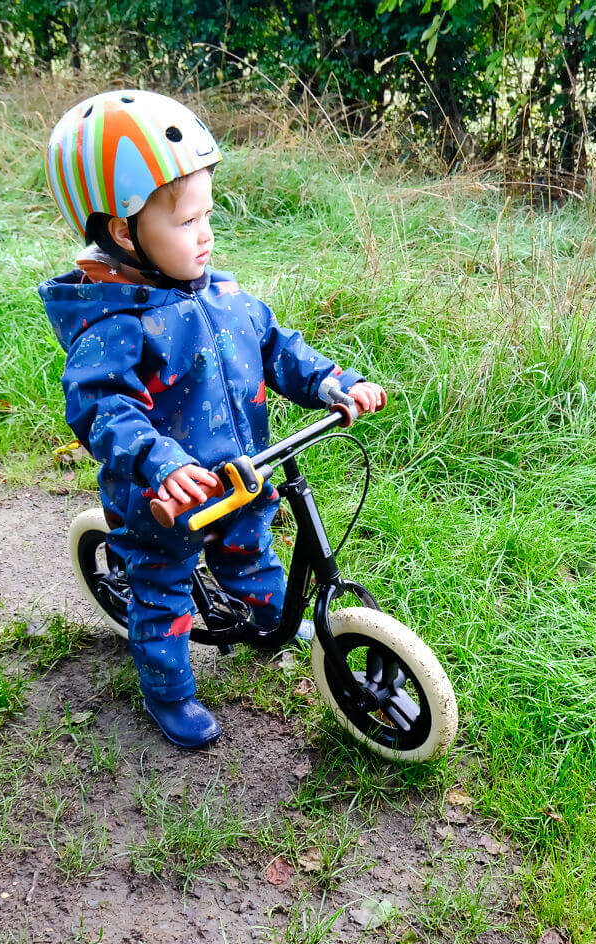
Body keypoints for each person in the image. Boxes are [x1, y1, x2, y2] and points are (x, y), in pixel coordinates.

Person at [37, 90, 386, 749]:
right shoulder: (114, 326)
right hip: (162, 500)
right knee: (164, 596)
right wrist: (160, 464)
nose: (206, 234)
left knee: (252, 552)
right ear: (122, 230)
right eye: (186, 222)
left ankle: (266, 619)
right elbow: (102, 412)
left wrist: (334, 383)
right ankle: (168, 695)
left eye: (208, 216)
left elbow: (278, 348)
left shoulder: (226, 296)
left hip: (239, 475)